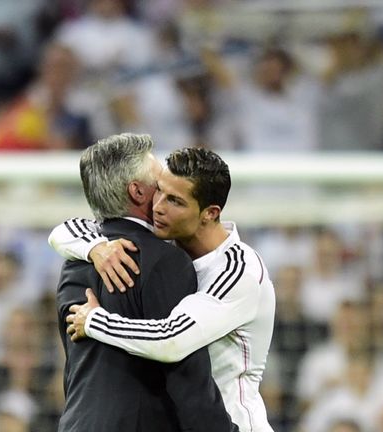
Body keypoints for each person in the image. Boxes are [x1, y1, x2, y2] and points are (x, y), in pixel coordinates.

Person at [49, 146, 276, 431]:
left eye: (175, 201)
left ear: (209, 213)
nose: (158, 207)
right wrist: (95, 247)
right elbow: (68, 229)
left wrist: (96, 321)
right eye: (159, 191)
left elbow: (172, 339)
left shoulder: (238, 270)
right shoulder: (167, 248)